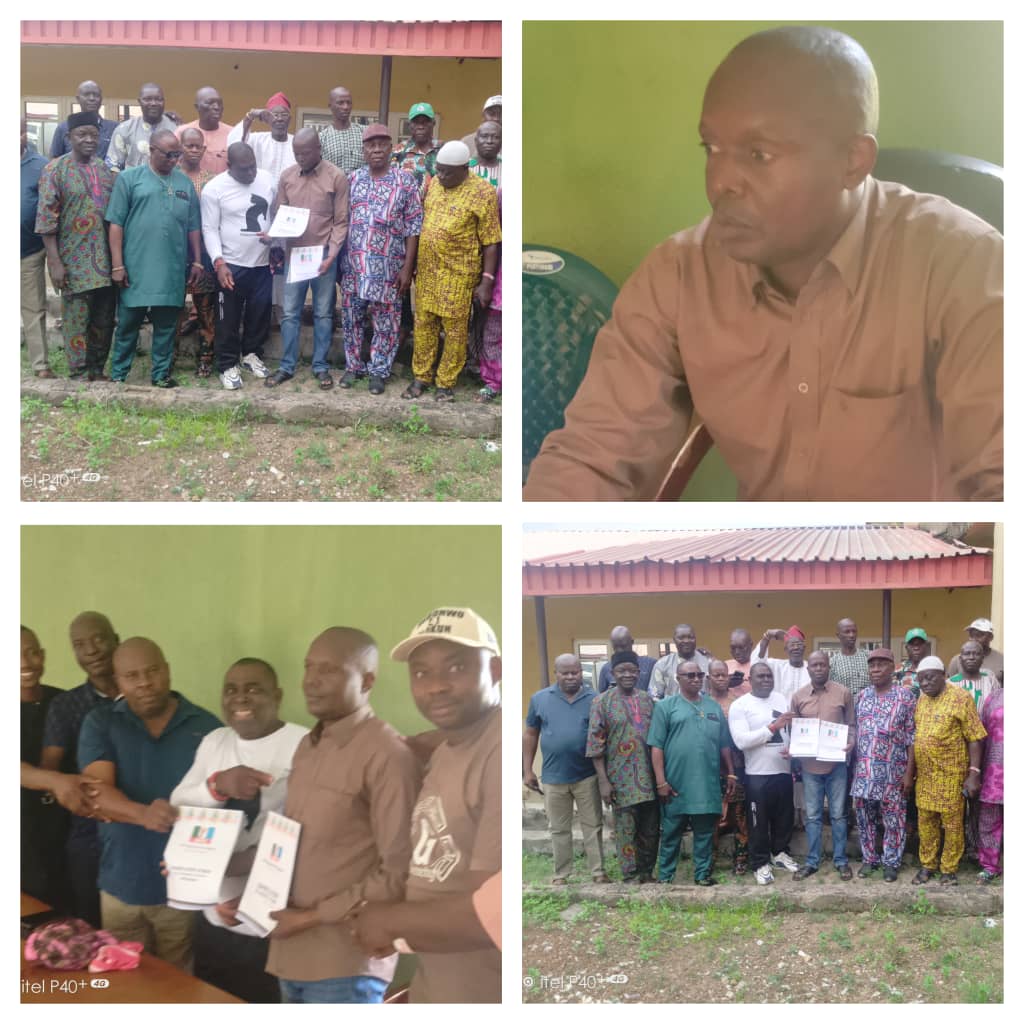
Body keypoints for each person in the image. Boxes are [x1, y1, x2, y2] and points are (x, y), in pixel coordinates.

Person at [523, 26, 1002, 501]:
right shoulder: (679, 275)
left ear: (853, 162)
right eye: (711, 149)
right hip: (759, 567)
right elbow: (593, 458)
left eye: (759, 154)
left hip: (924, 570)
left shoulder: (964, 265)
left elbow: (1004, 485)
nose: (721, 182)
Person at [351, 607, 502, 1003]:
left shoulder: (497, 751)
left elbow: (489, 914)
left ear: (497, 670)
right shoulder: (449, 746)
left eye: (456, 667)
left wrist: (387, 921)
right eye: (421, 672)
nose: (435, 686)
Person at [263, 628, 419, 1003]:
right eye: (308, 667)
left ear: (367, 680)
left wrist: (309, 917)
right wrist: (242, 888)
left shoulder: (387, 754)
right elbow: (292, 842)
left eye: (329, 670)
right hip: (289, 953)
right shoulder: (307, 746)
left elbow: (397, 873)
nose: (311, 681)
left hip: (345, 964)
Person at [170, 658, 307, 1003]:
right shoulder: (215, 741)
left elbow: (309, 836)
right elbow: (181, 808)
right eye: (231, 690)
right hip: (212, 918)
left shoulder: (304, 744)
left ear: (277, 695)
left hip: (270, 925)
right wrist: (218, 786)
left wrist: (249, 880)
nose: (240, 698)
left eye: (253, 689)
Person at [78, 638, 220, 967]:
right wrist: (144, 814)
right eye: (131, 676)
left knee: (178, 987)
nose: (144, 682)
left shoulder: (208, 728)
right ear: (118, 681)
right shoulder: (101, 723)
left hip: (182, 890)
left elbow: (221, 810)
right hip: (119, 885)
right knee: (124, 987)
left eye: (152, 671)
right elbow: (96, 792)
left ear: (168, 671)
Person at [400, 140, 501, 403]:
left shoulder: (482, 193)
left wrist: (487, 281)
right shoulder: (434, 184)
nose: (441, 176)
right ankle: (421, 376)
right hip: (428, 273)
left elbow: (491, 241)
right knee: (424, 325)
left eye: (447, 172)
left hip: (458, 275)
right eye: (439, 170)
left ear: (465, 168)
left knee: (455, 331)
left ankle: (445, 383)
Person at [38, 612, 121, 926]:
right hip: (90, 834)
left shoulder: (144, 697)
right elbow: (50, 771)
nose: (91, 650)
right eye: (79, 644)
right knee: (92, 928)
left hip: (143, 828)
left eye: (98, 638)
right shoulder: (66, 706)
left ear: (117, 639)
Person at [107, 129, 203, 387]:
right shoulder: (129, 179)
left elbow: (194, 225)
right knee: (128, 325)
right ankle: (119, 374)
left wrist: (196, 261)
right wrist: (117, 264)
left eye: (177, 155)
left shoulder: (184, 184)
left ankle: (160, 375)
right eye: (168, 154)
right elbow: (115, 224)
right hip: (136, 268)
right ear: (151, 150)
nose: (174, 160)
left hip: (172, 269)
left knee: (166, 327)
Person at [340, 124, 422, 394]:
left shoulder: (405, 182)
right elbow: (342, 222)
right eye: (370, 145)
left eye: (381, 144)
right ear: (363, 150)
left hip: (389, 266)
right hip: (354, 265)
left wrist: (407, 269)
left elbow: (413, 228)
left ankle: (379, 370)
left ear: (391, 148)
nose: (376, 149)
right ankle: (353, 366)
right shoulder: (352, 180)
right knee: (352, 317)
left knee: (386, 320)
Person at [265, 128, 349, 389]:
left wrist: (332, 255)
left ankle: (321, 367)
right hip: (296, 256)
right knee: (290, 313)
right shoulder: (287, 177)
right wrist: (272, 236)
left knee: (323, 313)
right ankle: (287, 366)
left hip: (324, 255)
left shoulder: (336, 177)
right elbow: (280, 215)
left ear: (318, 149)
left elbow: (341, 221)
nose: (300, 157)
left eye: (305, 152)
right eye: (296, 153)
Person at [35, 111, 117, 381]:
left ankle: (97, 367)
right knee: (75, 320)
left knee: (104, 319)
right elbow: (46, 220)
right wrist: (55, 263)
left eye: (93, 135)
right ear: (69, 137)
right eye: (82, 134)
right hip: (72, 260)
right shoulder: (55, 169)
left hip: (104, 260)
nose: (89, 140)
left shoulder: (104, 169)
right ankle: (79, 371)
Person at [523, 654, 608, 885]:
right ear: (556, 674)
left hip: (586, 775)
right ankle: (562, 874)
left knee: (593, 825)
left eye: (575, 672)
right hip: (553, 777)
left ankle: (598, 872)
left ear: (582, 672)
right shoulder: (540, 699)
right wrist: (527, 770)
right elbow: (531, 733)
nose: (571, 677)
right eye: (565, 673)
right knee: (559, 829)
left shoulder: (596, 699)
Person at [649, 661, 735, 885]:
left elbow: (724, 744)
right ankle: (665, 876)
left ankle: (702, 875)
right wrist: (660, 782)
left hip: (706, 783)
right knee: (671, 833)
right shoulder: (665, 707)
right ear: (678, 678)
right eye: (690, 675)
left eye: (699, 675)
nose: (696, 679)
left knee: (705, 832)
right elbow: (656, 747)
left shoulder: (714, 707)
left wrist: (731, 774)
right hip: (675, 783)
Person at [201, 142, 277, 389]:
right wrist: (219, 262)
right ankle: (227, 364)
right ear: (229, 166)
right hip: (231, 265)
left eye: (253, 167)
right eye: (244, 170)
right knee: (228, 318)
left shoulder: (267, 180)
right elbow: (210, 228)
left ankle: (251, 354)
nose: (251, 174)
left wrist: (276, 239)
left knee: (259, 312)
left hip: (262, 263)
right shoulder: (214, 189)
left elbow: (274, 214)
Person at [911, 656, 987, 885]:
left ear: (943, 675)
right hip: (925, 777)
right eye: (921, 680)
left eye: (930, 678)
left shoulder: (961, 698)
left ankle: (949, 869)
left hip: (952, 776)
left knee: (953, 825)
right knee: (926, 823)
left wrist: (974, 772)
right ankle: (928, 865)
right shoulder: (922, 700)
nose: (925, 684)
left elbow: (975, 737)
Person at [586, 651, 659, 883]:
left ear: (639, 672)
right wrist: (603, 782)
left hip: (649, 777)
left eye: (632, 670)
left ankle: (647, 872)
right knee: (625, 830)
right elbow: (595, 745)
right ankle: (630, 875)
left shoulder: (647, 700)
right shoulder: (601, 702)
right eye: (621, 670)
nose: (627, 674)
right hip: (620, 778)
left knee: (650, 828)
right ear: (612, 673)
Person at [728, 662, 799, 885]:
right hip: (757, 774)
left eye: (769, 676)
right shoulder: (741, 705)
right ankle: (760, 863)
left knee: (784, 818)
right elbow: (741, 741)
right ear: (750, 679)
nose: (766, 679)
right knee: (758, 822)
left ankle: (779, 854)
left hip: (783, 771)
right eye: (761, 676)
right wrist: (772, 728)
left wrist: (795, 749)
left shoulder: (781, 699)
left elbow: (791, 731)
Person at [20, 626, 75, 911]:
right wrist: (55, 781)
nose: (25, 663)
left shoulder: (64, 702)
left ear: (42, 655)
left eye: (31, 652)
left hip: (67, 831)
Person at [851, 647, 917, 881]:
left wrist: (909, 775)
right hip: (864, 772)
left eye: (881, 664)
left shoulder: (906, 697)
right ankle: (869, 859)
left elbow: (912, 739)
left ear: (892, 668)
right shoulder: (861, 697)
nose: (876, 669)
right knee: (864, 817)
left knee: (894, 818)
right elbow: (854, 733)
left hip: (894, 772)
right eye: (872, 665)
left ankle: (891, 862)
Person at [789, 650, 856, 880]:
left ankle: (840, 860)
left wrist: (851, 742)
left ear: (829, 667)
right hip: (809, 768)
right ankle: (812, 861)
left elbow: (851, 725)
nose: (818, 668)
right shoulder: (798, 697)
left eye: (822, 665)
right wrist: (794, 751)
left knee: (838, 814)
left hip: (836, 766)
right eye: (814, 665)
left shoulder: (843, 693)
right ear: (808, 669)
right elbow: (794, 730)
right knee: (813, 815)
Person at [176, 127, 218, 378]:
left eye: (197, 146)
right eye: (188, 145)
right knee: (173, 310)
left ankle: (206, 359)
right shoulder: (171, 177)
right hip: (175, 255)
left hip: (203, 256)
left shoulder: (212, 180)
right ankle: (170, 356)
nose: (193, 150)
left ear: (204, 149)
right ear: (181, 147)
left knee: (205, 311)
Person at [707, 659, 749, 873]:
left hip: (737, 766)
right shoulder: (702, 703)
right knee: (712, 814)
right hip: (710, 768)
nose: (721, 678)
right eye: (717, 675)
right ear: (709, 678)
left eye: (724, 674)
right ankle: (710, 858)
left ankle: (741, 858)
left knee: (740, 814)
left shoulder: (739, 702)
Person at [22, 117, 53, 378]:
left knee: (33, 308)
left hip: (27, 251)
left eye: (18, 132)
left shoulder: (40, 166)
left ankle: (40, 365)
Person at [226, 91, 296, 185]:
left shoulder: (296, 143)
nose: (279, 119)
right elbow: (233, 144)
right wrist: (251, 116)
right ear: (267, 118)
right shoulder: (257, 139)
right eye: (275, 115)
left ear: (290, 119)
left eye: (284, 115)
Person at [106, 83, 177, 172]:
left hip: (168, 184)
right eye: (148, 99)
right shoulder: (124, 129)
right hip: (132, 185)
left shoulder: (176, 129)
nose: (153, 103)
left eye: (158, 99)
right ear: (139, 101)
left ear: (164, 101)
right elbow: (113, 167)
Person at [976, 683, 1003, 883]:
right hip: (994, 769)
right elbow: (982, 733)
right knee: (988, 818)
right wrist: (976, 770)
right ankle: (989, 865)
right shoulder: (993, 697)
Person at [50, 80, 118, 159]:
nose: (92, 98)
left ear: (101, 99)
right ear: (78, 99)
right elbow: (54, 158)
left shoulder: (114, 128)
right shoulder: (64, 128)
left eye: (96, 95)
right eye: (86, 95)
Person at [177, 87, 232, 174]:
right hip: (189, 186)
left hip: (221, 187)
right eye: (210, 103)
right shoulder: (182, 132)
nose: (216, 107)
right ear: (197, 107)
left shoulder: (232, 134)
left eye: (219, 103)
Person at [393, 102, 440, 198]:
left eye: (425, 122)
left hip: (437, 210)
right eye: (416, 122)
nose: (420, 126)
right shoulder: (398, 152)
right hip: (407, 210)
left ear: (433, 123)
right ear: (409, 125)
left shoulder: (443, 150)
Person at [651, 624, 711, 699]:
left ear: (695, 639)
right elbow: (654, 697)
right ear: (674, 640)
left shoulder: (709, 663)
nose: (686, 641)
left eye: (690, 637)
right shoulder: (662, 664)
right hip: (671, 710)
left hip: (703, 709)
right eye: (681, 638)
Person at [754, 625, 810, 700]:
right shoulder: (777, 666)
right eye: (792, 645)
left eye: (799, 644)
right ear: (786, 649)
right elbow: (758, 663)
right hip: (780, 710)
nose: (796, 647)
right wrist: (767, 636)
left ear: (804, 648)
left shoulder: (811, 669)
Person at [318, 87, 365, 173]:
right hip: (332, 186)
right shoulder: (321, 138)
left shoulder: (364, 133)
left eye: (349, 103)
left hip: (362, 186)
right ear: (330, 106)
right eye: (340, 103)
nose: (345, 107)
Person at [597, 625, 657, 692]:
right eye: (616, 647)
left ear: (632, 642)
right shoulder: (606, 668)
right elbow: (601, 695)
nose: (619, 651)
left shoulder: (650, 664)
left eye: (623, 646)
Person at [949, 640, 999, 711]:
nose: (971, 657)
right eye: (967, 653)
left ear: (982, 658)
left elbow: (998, 707)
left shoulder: (991, 681)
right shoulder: (950, 684)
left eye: (976, 654)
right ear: (960, 659)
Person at [830, 618, 870, 700]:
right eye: (847, 632)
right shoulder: (832, 663)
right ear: (838, 635)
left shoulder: (868, 657)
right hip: (843, 710)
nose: (851, 635)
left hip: (867, 710)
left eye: (854, 631)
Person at [895, 627, 930, 694]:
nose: (916, 648)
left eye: (919, 644)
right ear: (906, 648)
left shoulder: (934, 668)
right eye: (912, 644)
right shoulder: (898, 670)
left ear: (926, 646)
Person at [468, 122, 502, 189]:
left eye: (496, 137)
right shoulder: (463, 168)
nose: (489, 141)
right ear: (476, 140)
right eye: (484, 136)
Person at [724, 628, 755, 694]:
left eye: (741, 647)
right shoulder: (725, 665)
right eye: (733, 648)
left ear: (751, 645)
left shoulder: (760, 665)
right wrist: (726, 684)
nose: (737, 652)